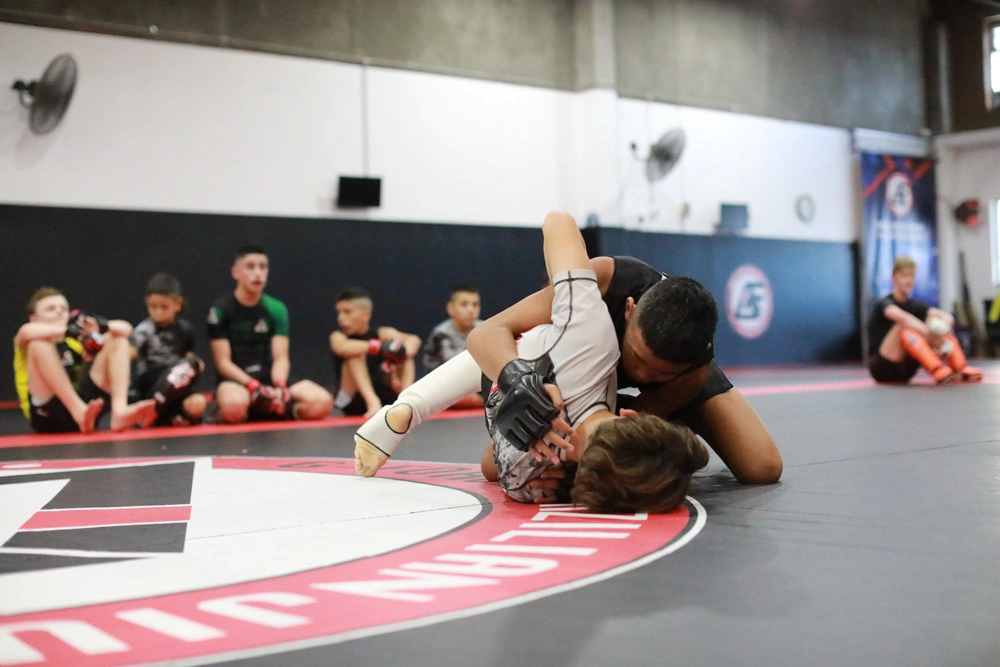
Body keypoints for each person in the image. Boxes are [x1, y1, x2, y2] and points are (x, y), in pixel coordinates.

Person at [352, 211, 781, 486]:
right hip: (575, 371)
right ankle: (415, 405)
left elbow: (645, 413)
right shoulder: (605, 283)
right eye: (638, 360)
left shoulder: (694, 358)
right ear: (628, 310)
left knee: (762, 467)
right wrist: (518, 381)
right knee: (497, 464)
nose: (643, 375)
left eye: (659, 372)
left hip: (622, 397)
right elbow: (488, 333)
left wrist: (647, 429)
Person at [206, 245, 333, 423]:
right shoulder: (219, 310)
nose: (258, 273)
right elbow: (223, 363)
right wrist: (253, 386)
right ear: (235, 273)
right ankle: (234, 408)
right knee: (234, 407)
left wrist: (280, 387)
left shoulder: (277, 309)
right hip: (236, 382)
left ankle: (278, 408)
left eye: (263, 267)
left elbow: (281, 357)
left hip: (268, 379)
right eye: (250, 267)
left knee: (322, 402)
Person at [14, 287, 157, 433]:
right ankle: (78, 411)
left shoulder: (75, 340)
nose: (59, 312)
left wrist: (101, 325)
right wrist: (69, 331)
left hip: (89, 412)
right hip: (48, 417)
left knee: (117, 339)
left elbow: (126, 329)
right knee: (38, 344)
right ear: (34, 319)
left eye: (63, 308)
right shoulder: (26, 342)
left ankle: (120, 411)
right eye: (50, 309)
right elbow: (25, 332)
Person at [868, 256, 981, 384]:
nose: (909, 280)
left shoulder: (916, 305)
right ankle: (937, 368)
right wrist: (928, 333)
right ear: (893, 278)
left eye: (912, 276)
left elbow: (946, 317)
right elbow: (900, 317)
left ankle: (960, 367)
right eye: (904, 276)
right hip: (883, 368)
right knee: (903, 325)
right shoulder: (884, 303)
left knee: (935, 321)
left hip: (907, 371)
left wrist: (941, 327)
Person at [330, 288, 422, 418]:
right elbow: (342, 348)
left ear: (366, 315)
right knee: (354, 355)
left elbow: (414, 340)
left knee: (405, 356)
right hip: (350, 401)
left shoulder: (382, 333)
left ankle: (407, 402)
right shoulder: (338, 336)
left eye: (347, 312)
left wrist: (400, 352)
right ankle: (372, 402)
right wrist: (380, 347)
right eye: (338, 313)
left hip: (384, 395)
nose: (341, 318)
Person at [130, 273, 207, 426]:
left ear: (177, 304)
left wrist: (198, 365)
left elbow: (190, 361)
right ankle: (155, 411)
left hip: (175, 389)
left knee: (198, 403)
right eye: (153, 307)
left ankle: (166, 415)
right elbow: (128, 353)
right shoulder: (144, 330)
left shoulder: (185, 330)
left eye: (164, 307)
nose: (158, 312)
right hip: (149, 388)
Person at [422, 282, 484, 409]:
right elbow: (454, 368)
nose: (471, 310)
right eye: (464, 305)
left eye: (475, 305)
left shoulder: (483, 328)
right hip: (444, 384)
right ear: (450, 308)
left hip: (474, 384)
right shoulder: (441, 334)